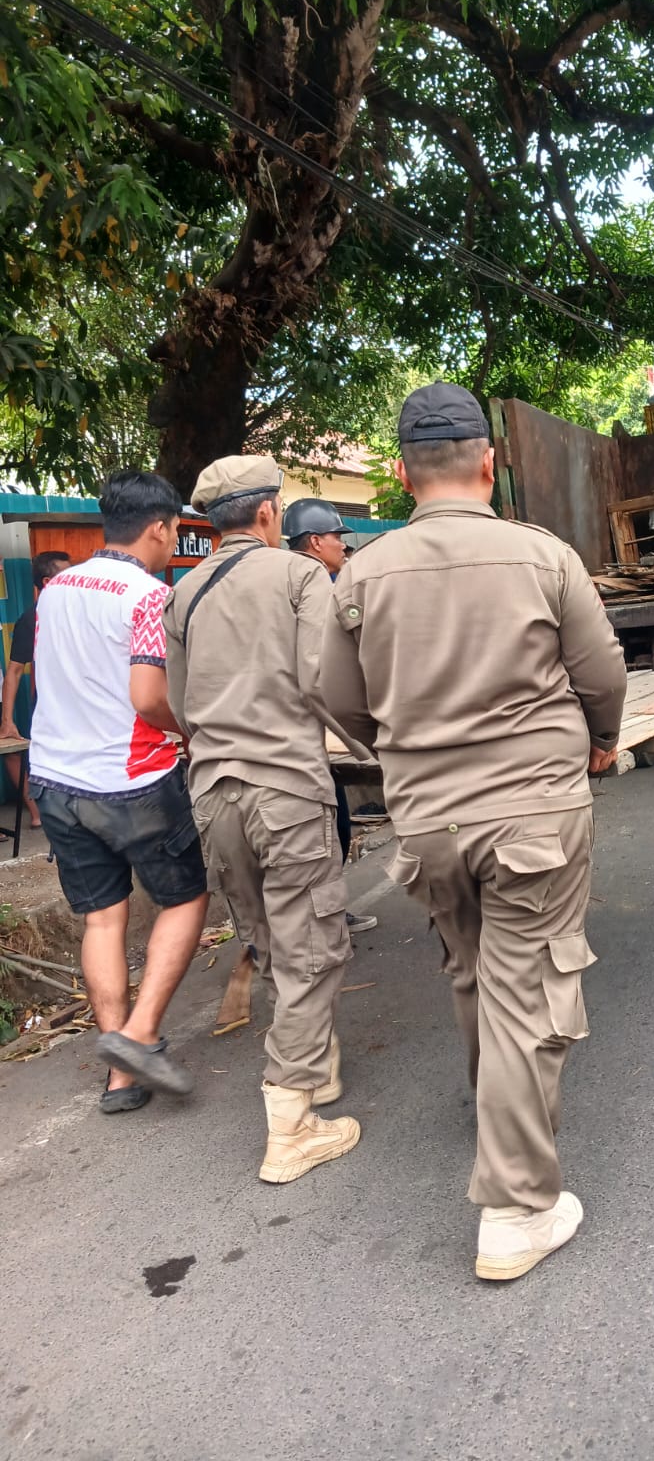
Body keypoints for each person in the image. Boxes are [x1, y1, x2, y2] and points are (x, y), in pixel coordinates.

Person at [319, 380, 627, 1280]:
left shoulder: (360, 573)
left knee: (473, 968)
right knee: (529, 987)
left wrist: (402, 754)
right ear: (488, 463)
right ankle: (516, 1207)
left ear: (405, 474)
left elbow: (337, 699)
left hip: (427, 821)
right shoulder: (542, 557)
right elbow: (600, 672)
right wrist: (600, 742)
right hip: (532, 809)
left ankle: (493, 1108)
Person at [163, 456, 364, 1183]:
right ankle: (292, 1128)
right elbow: (327, 682)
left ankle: (317, 1069)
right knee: (312, 946)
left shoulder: (181, 596)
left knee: (273, 940)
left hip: (213, 795)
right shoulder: (300, 577)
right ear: (271, 513)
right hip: (285, 788)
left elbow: (179, 708)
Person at [27, 471, 209, 1113]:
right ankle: (140, 1034)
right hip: (131, 780)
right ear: (159, 527)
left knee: (102, 917)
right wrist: (188, 728)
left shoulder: (55, 590)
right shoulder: (148, 597)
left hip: (55, 778)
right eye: (175, 531)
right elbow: (148, 698)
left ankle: (120, 1077)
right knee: (185, 898)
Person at [282, 497, 376, 934]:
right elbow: (318, 675)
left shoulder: (271, 577)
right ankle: (325, 921)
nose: (343, 545)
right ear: (316, 542)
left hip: (270, 730)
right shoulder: (310, 579)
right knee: (329, 824)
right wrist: (363, 743)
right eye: (338, 537)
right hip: (299, 733)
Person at [0, 550, 71, 827]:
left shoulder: (84, 612)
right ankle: (43, 815)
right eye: (66, 575)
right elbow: (15, 672)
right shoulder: (32, 619)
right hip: (52, 712)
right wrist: (7, 722)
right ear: (47, 581)